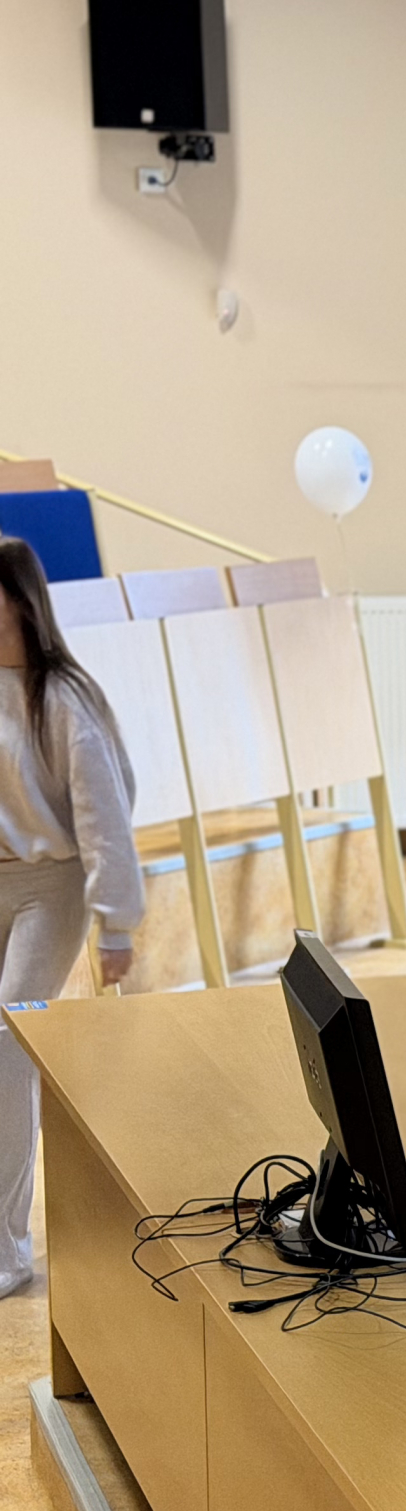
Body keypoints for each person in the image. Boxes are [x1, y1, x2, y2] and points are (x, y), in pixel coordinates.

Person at [0, 539, 143, 1299]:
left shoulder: (62, 699)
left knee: (6, 1048)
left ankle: (6, 1249)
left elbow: (105, 816)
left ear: (19, 602)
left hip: (50, 889)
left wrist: (114, 924)